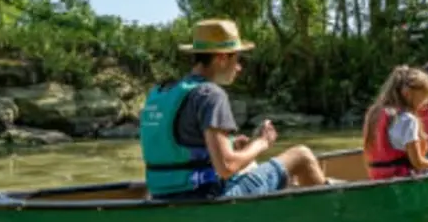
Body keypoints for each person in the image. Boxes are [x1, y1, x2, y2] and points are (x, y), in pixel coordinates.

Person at [140, 18, 327, 199]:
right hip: (206, 199)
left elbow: (182, 144)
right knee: (301, 155)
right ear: (221, 58)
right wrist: (262, 142)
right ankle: (331, 218)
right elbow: (227, 167)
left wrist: (230, 144)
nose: (239, 68)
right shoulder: (211, 95)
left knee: (249, 164)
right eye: (237, 59)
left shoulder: (166, 92)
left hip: (162, 197)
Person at [363, 66, 428, 180]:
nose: (424, 104)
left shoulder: (375, 113)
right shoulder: (408, 119)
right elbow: (418, 163)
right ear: (407, 94)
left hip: (378, 177)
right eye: (424, 99)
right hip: (401, 180)